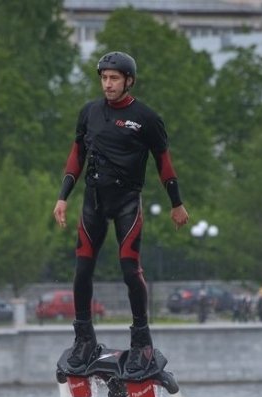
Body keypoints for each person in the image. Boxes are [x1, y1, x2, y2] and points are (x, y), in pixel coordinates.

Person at [52, 51, 190, 378]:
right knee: (82, 269)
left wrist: (177, 202)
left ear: (129, 80)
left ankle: (142, 341)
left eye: (114, 78)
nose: (108, 84)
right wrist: (62, 198)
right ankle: (84, 338)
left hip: (127, 201)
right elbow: (76, 156)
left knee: (130, 270)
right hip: (93, 201)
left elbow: (164, 163)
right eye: (104, 78)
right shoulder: (89, 113)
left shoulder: (146, 118)